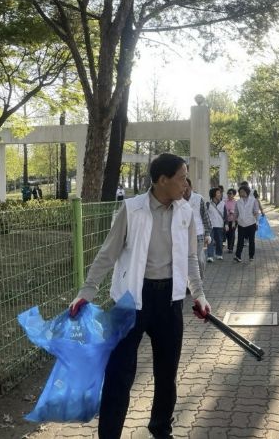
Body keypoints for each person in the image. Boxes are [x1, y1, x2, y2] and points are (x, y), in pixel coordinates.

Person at [68, 153, 211, 439]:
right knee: (119, 374)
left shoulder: (186, 212)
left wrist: (199, 294)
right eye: (182, 178)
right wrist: (87, 291)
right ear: (162, 180)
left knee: (167, 373)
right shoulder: (132, 210)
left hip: (170, 301)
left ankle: (161, 428)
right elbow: (108, 253)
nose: (186, 184)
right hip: (131, 301)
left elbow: (191, 257)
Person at [184, 179, 212, 273]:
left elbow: (205, 217)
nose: (185, 189)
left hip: (198, 233)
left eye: (187, 186)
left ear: (191, 187)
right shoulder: (177, 199)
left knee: (199, 259)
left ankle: (200, 279)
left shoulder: (199, 198)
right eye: (183, 186)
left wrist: (207, 234)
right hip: (183, 234)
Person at [234, 185, 260, 262]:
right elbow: (236, 212)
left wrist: (257, 223)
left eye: (243, 191)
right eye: (240, 192)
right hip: (241, 224)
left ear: (247, 192)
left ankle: (251, 256)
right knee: (240, 240)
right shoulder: (238, 202)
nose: (241, 193)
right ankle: (238, 256)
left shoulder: (253, 200)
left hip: (251, 223)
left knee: (251, 240)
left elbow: (256, 212)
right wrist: (234, 221)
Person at [206, 187, 226, 261]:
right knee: (210, 241)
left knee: (219, 241)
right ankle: (210, 256)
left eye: (220, 193)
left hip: (219, 225)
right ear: (213, 194)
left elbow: (225, 215)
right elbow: (205, 215)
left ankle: (219, 254)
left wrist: (226, 224)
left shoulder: (223, 204)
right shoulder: (208, 204)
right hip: (210, 226)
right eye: (218, 193)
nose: (220, 194)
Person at [224, 188, 238, 253]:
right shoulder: (224, 202)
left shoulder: (236, 203)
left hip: (233, 220)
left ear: (234, 195)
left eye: (230, 193)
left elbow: (237, 212)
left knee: (232, 233)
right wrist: (228, 212)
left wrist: (232, 212)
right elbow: (223, 211)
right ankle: (229, 246)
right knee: (227, 234)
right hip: (226, 220)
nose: (229, 195)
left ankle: (231, 248)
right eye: (228, 193)